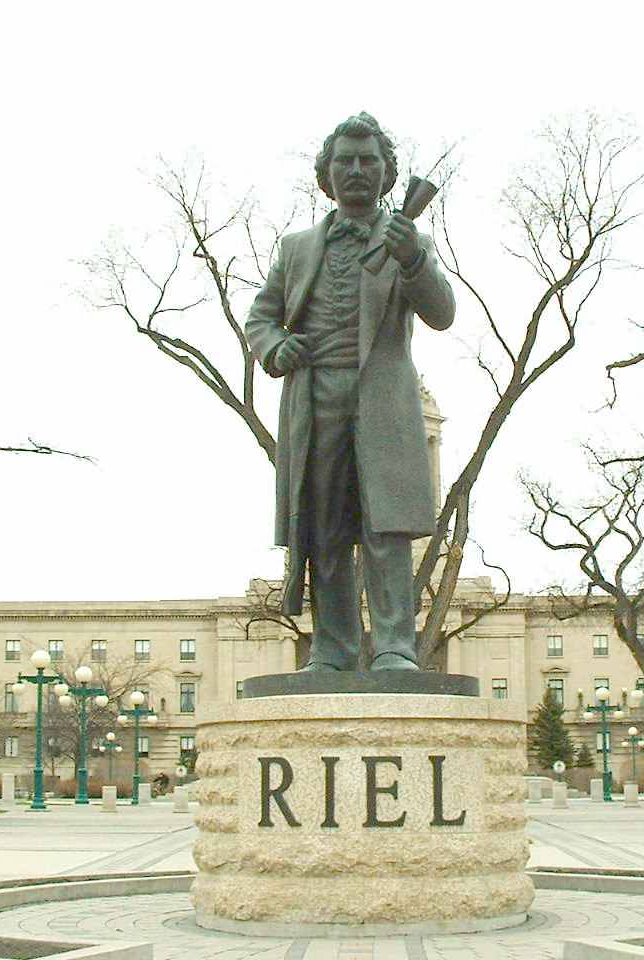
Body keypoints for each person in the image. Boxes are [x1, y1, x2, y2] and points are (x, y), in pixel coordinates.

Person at [245, 112, 455, 672]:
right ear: (327, 173)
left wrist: (412, 258)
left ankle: (393, 647)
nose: (357, 170)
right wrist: (275, 346)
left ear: (387, 173)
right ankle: (333, 651)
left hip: (382, 401)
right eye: (346, 161)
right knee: (326, 530)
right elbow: (261, 317)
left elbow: (441, 312)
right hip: (315, 404)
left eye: (369, 161)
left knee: (385, 530)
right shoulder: (295, 250)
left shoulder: (411, 240)